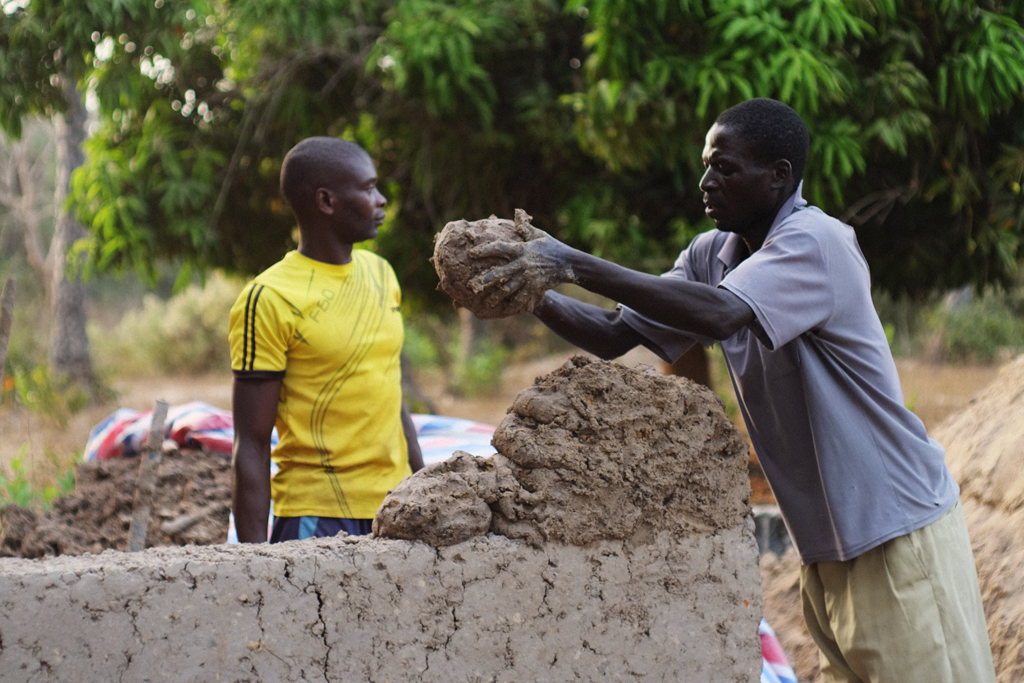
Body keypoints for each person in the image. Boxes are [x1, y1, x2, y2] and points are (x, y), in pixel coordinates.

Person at [471, 98, 996, 683]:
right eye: (705, 165)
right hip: (827, 546)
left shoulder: (816, 242)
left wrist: (568, 262)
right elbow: (613, 334)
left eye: (724, 167)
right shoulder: (709, 256)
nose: (706, 182)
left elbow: (722, 314)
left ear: (779, 176)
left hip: (897, 533)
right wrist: (524, 284)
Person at [228, 137, 423, 544]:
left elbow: (390, 388)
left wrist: (422, 485)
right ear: (326, 202)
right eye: (369, 189)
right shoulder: (268, 299)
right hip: (316, 520)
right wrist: (252, 565)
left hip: (396, 508)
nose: (382, 200)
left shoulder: (381, 274)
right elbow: (251, 444)